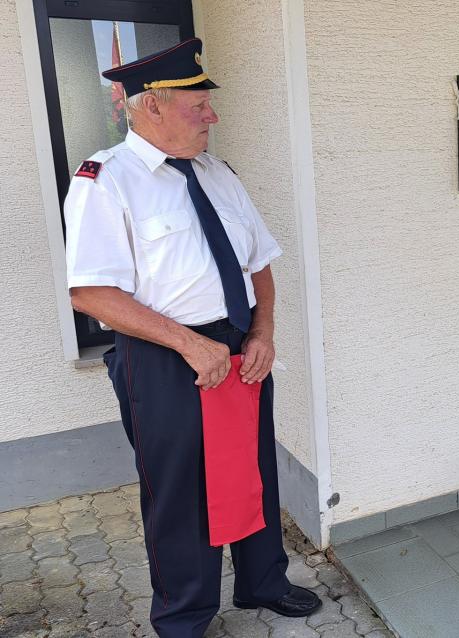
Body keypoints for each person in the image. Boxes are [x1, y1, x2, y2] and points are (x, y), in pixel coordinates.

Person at [63, 38, 320, 635]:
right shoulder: (106, 179)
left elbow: (258, 263)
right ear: (151, 106)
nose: (213, 116)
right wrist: (188, 343)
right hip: (163, 356)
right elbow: (92, 293)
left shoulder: (218, 173)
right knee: (180, 489)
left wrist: (263, 331)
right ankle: (184, 615)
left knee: (254, 467)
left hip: (240, 345)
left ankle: (263, 583)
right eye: (198, 105)